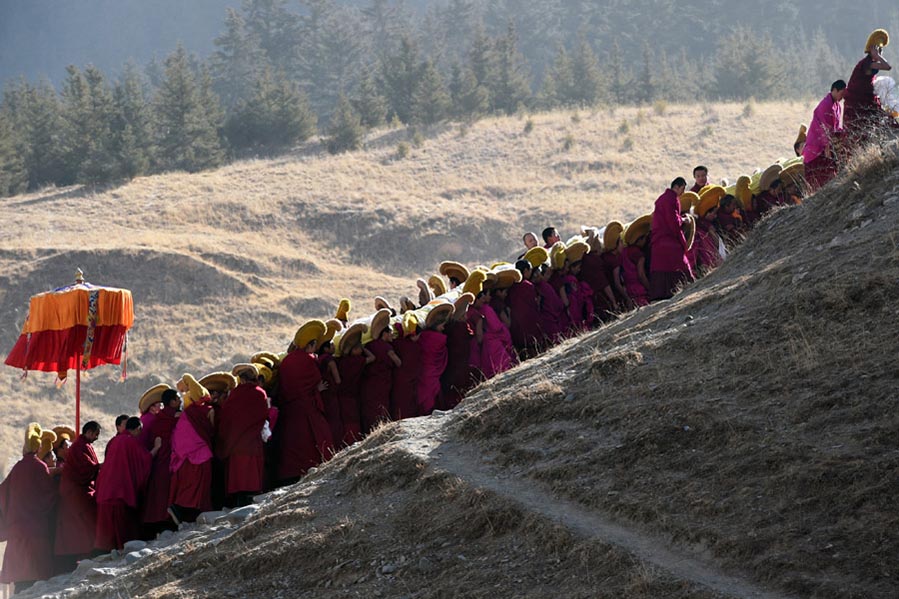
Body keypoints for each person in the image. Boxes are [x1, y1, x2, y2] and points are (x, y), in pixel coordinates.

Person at [276, 321, 335, 485]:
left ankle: (292, 475)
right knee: (315, 439)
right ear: (311, 344)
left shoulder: (287, 361)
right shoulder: (308, 360)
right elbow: (315, 381)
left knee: (294, 443)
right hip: (308, 407)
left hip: (290, 409)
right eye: (314, 345)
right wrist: (317, 390)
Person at [0, 424, 58, 591]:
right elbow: (49, 496)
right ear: (39, 447)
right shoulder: (40, 467)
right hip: (35, 530)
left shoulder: (18, 467)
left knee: (20, 579)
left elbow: (3, 492)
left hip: (16, 530)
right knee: (35, 578)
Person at [95, 417, 158, 552]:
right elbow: (145, 459)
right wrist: (157, 448)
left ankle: (105, 551)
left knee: (107, 531)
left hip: (105, 488)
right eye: (140, 430)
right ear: (137, 429)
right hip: (120, 490)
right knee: (123, 531)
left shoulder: (115, 440)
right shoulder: (131, 441)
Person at [218, 365, 269, 505]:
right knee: (252, 477)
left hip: (235, 443)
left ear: (242, 379)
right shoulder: (260, 393)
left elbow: (226, 417)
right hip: (252, 441)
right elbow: (263, 415)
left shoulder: (234, 394)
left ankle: (238, 501)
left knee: (238, 476)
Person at [53, 421, 100, 570]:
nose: (97, 438)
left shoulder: (84, 445)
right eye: (95, 434)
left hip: (78, 490)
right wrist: (101, 467)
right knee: (81, 525)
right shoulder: (79, 448)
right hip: (74, 494)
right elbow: (84, 468)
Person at [168, 380, 216, 525]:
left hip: (182, 456)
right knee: (199, 486)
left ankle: (181, 512)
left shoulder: (185, 415)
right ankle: (188, 512)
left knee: (187, 487)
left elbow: (178, 436)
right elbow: (212, 430)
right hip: (201, 454)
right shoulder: (208, 410)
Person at [844, 29, 896, 150]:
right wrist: (877, 56)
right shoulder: (866, 64)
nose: (880, 54)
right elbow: (887, 67)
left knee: (886, 120)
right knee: (858, 132)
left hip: (866, 101)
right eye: (878, 51)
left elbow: (887, 67)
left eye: (880, 51)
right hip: (857, 104)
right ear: (872, 51)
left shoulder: (871, 63)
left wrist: (877, 56)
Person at [141, 388, 180, 536]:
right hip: (165, 458)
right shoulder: (172, 416)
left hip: (157, 460)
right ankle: (165, 521)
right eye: (158, 405)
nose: (160, 408)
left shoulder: (157, 419)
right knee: (165, 492)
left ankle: (156, 523)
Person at [649, 178, 694, 301]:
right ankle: (689, 286)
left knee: (661, 267)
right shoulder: (671, 199)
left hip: (659, 241)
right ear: (677, 187)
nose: (683, 192)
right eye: (683, 189)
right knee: (681, 263)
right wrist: (684, 220)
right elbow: (673, 221)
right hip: (668, 240)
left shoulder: (662, 198)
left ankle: (661, 295)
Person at [360, 310, 401, 433]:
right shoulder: (387, 348)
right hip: (382, 383)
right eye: (390, 333)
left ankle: (370, 431)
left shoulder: (370, 345)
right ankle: (381, 430)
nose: (392, 335)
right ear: (385, 333)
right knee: (381, 407)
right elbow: (398, 362)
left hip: (369, 383)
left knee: (371, 409)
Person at [803, 80, 847, 190]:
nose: (842, 97)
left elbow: (835, 127)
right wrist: (827, 145)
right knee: (816, 180)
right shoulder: (825, 105)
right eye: (841, 93)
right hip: (817, 147)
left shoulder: (837, 106)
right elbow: (823, 128)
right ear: (835, 90)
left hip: (829, 146)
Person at [441, 293, 475, 409]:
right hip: (459, 363)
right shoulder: (460, 328)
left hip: (452, 363)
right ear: (460, 316)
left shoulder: (450, 327)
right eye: (464, 315)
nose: (466, 317)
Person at [418, 303, 452, 414]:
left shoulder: (423, 336)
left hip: (423, 370)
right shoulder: (440, 339)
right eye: (442, 325)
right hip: (431, 371)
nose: (443, 328)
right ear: (436, 325)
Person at [390, 315, 421, 420]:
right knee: (407, 405)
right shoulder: (415, 347)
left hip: (396, 380)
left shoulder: (397, 342)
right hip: (408, 381)